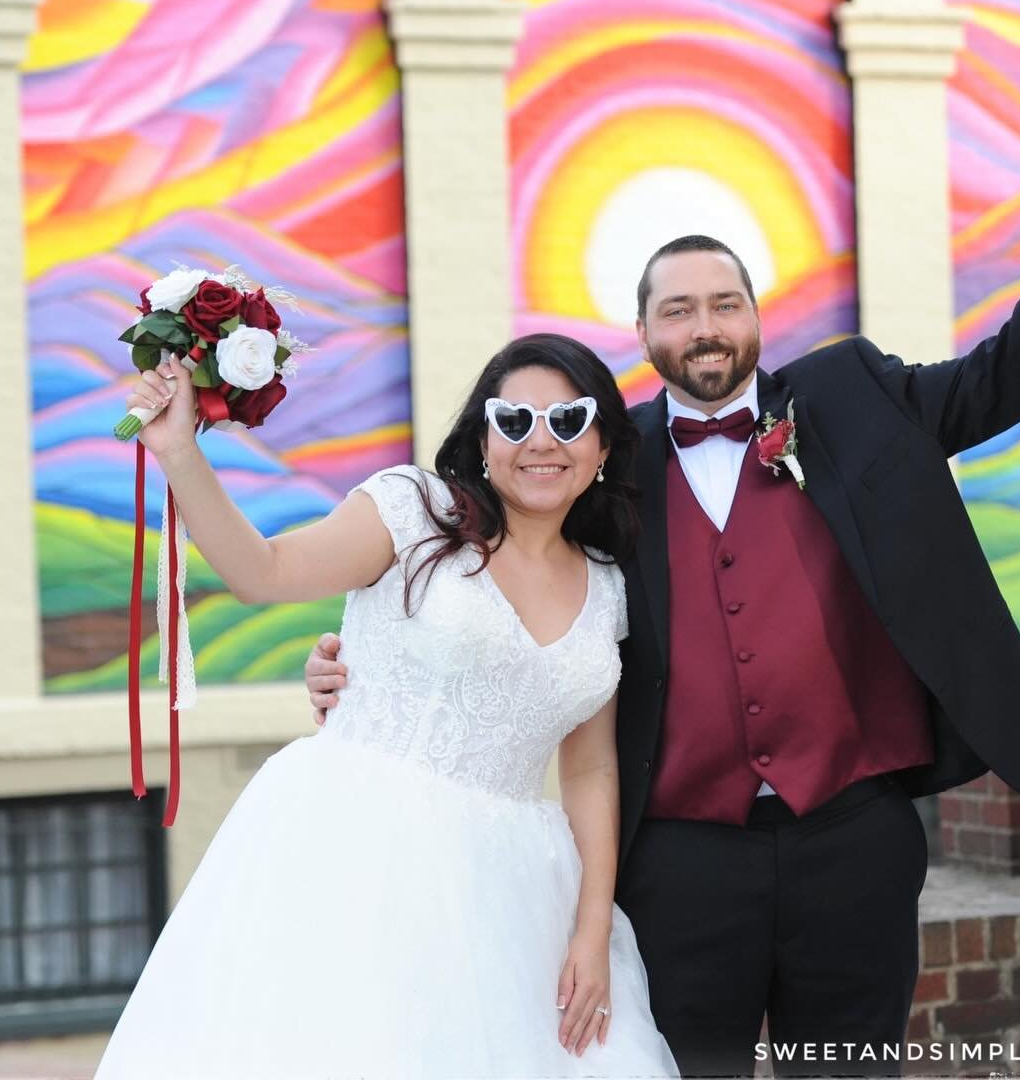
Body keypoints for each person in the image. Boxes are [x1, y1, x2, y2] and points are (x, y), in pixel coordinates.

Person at [307, 140, 1020, 1076]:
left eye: (723, 303)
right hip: (679, 859)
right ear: (643, 334)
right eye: (678, 310)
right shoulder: (600, 462)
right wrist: (369, 653)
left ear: (753, 316)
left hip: (853, 834)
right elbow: (497, 571)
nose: (704, 326)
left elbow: (1001, 377)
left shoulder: (852, 396)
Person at [96, 334, 680, 1079]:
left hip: (517, 894)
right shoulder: (413, 511)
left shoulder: (608, 587)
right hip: (359, 852)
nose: (541, 441)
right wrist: (181, 453)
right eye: (514, 420)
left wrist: (592, 927)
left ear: (601, 448)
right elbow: (262, 572)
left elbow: (591, 770)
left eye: (568, 421)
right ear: (481, 438)